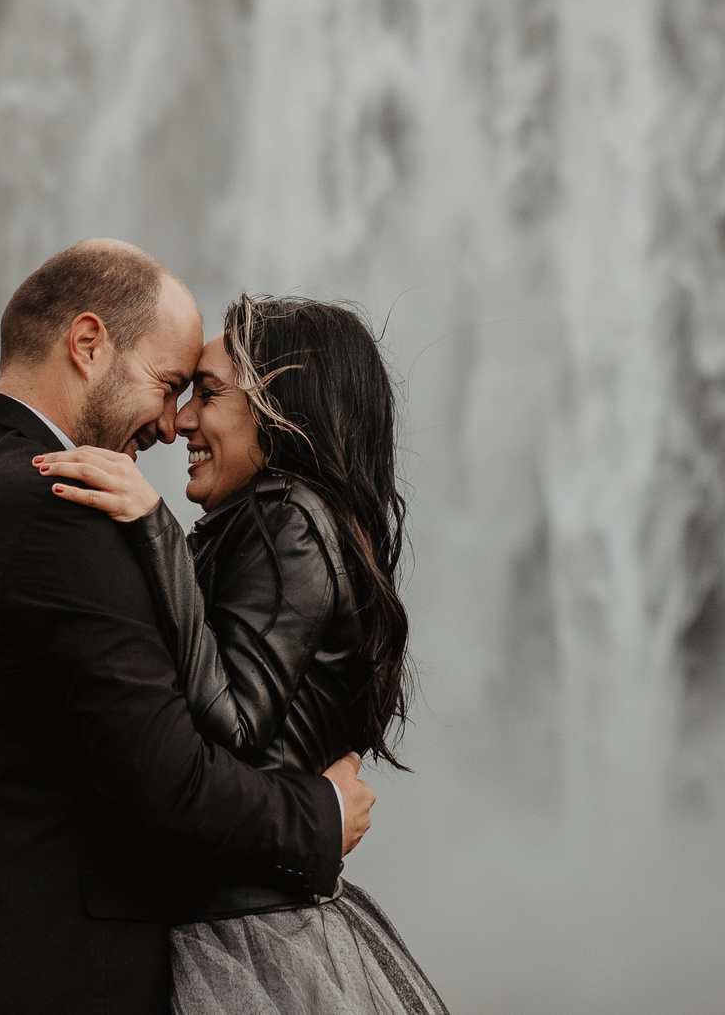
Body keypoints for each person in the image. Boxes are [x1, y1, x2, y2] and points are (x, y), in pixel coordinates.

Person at [0, 241, 377, 1015]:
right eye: (166, 385)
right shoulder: (58, 510)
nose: (167, 422)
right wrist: (317, 815)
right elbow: (167, 779)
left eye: (194, 394)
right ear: (88, 344)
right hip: (33, 983)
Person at [38, 294, 449, 1015]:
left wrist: (154, 529)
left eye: (209, 393)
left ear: (282, 409)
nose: (183, 421)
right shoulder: (278, 523)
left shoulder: (286, 518)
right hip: (254, 927)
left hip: (238, 939)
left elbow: (231, 723)